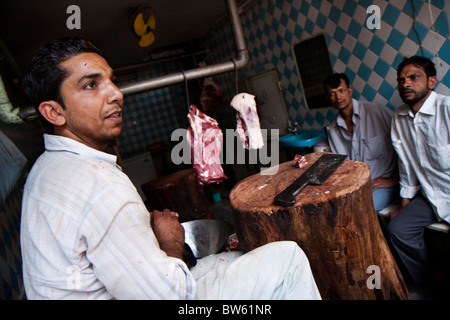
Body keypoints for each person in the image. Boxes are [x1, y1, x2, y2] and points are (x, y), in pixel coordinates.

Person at [20, 37, 321, 300]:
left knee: (227, 261)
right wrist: (169, 242)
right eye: (91, 85)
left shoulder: (48, 167)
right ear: (54, 112)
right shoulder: (98, 183)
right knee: (288, 259)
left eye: (111, 80)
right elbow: (170, 297)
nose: (115, 94)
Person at [388, 56, 450, 286]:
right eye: (401, 79)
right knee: (398, 229)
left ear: (431, 81)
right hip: (428, 196)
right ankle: (432, 277)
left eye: (414, 77)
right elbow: (405, 165)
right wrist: (404, 207)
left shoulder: (447, 109)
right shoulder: (399, 116)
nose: (405, 84)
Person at [323, 73, 399, 211]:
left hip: (382, 184)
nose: (338, 97)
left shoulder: (376, 112)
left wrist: (394, 178)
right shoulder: (333, 129)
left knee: (361, 210)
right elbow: (341, 167)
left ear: (350, 91)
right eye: (332, 93)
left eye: (341, 90)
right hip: (357, 187)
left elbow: (404, 145)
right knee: (332, 210)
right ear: (328, 98)